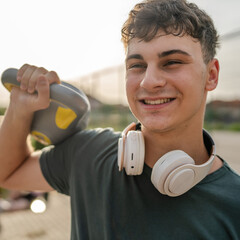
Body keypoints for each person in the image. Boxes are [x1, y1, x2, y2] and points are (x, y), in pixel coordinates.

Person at [0, 0, 240, 239]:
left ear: (211, 75)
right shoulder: (88, 152)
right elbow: (8, 173)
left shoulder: (234, 203)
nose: (149, 81)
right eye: (137, 65)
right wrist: (19, 108)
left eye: (172, 62)